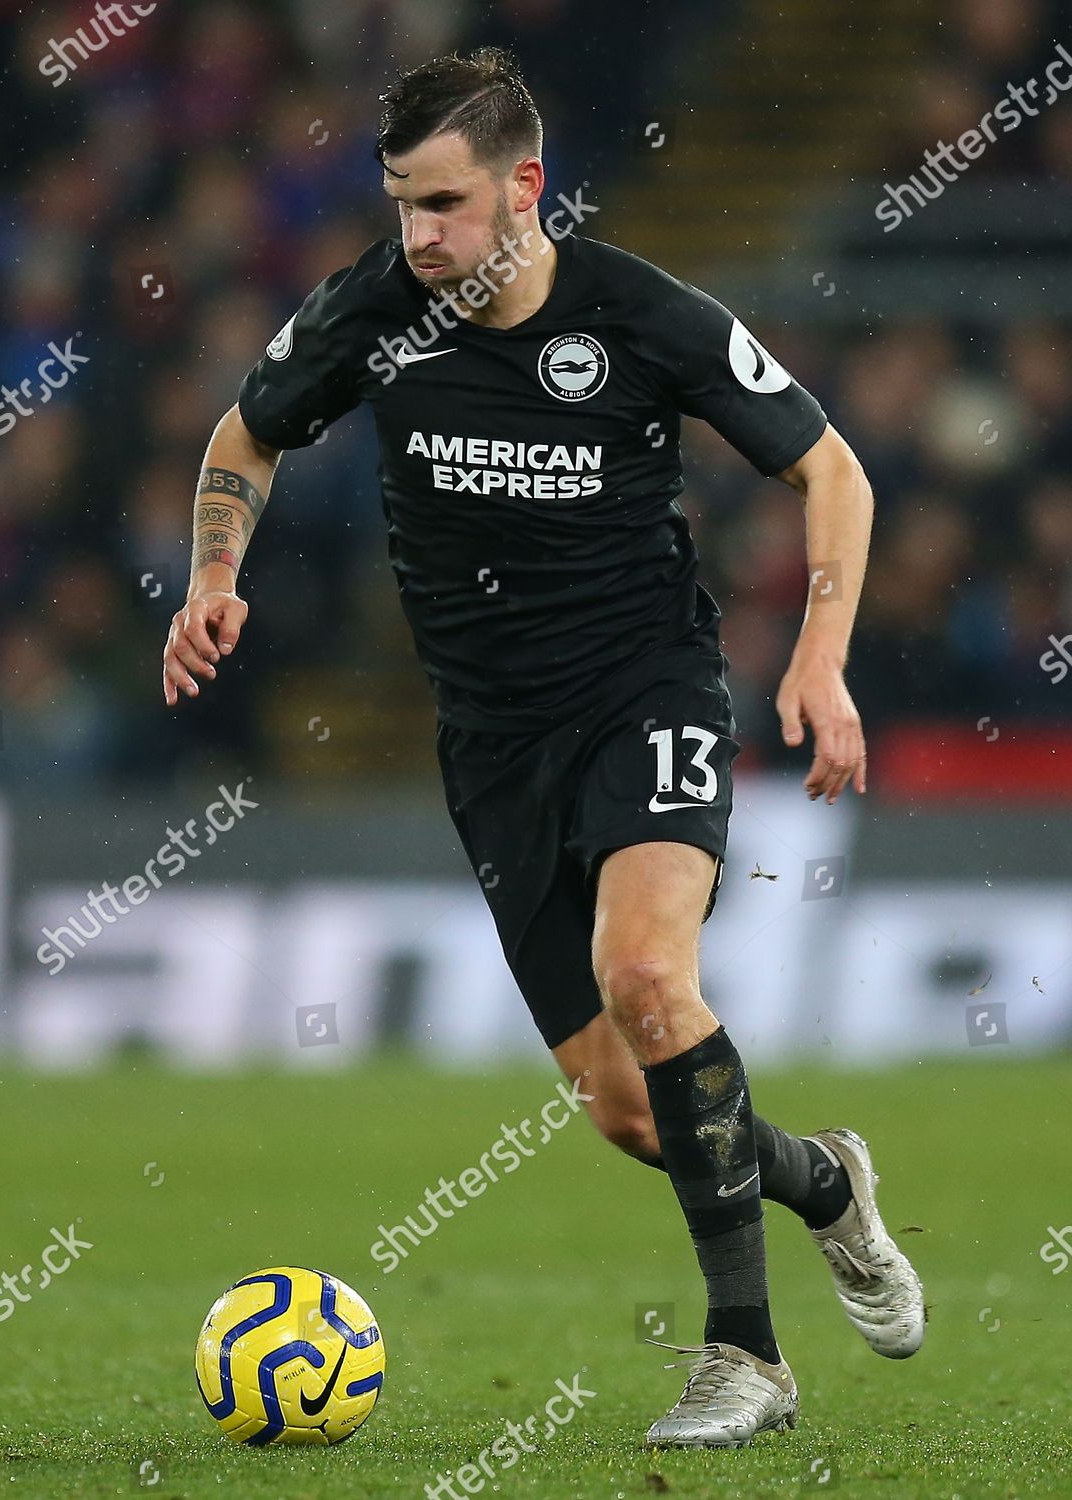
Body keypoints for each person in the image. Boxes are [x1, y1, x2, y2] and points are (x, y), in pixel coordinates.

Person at [162, 46, 925, 1449]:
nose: (420, 236)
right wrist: (217, 573)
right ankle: (823, 1185)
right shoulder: (377, 311)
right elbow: (243, 436)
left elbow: (831, 469)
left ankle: (745, 1355)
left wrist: (818, 661)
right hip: (492, 746)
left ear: (527, 189)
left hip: (647, 696)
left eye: (445, 204)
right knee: (637, 1116)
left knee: (647, 972)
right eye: (401, 203)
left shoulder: (639, 313)